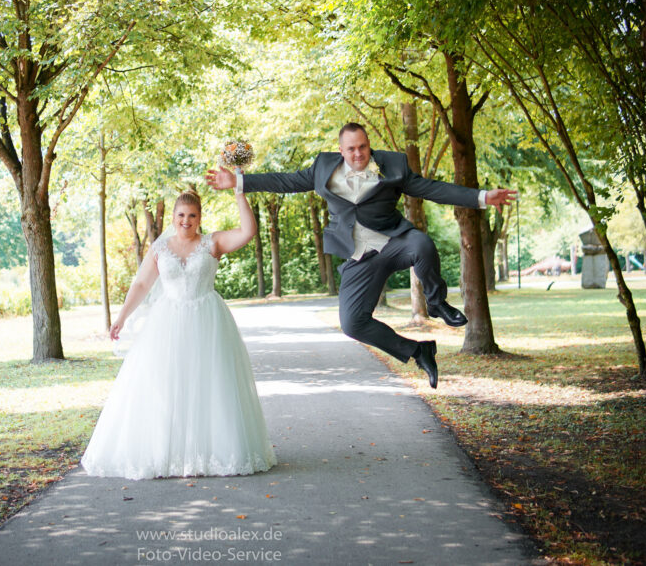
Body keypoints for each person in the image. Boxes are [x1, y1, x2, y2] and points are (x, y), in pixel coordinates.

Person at [205, 123, 516, 389]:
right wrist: (239, 181)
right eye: (351, 149)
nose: (358, 154)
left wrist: (481, 197)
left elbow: (430, 188)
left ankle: (436, 304)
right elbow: (285, 180)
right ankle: (418, 352)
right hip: (357, 256)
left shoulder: (394, 166)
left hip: (393, 242)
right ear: (341, 150)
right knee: (352, 323)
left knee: (422, 244)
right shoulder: (322, 167)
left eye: (363, 147)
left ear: (370, 145)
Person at [80, 189, 276, 480]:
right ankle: (167, 453)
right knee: (166, 384)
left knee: (210, 385)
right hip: (167, 323)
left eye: (192, 215)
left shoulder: (213, 242)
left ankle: (212, 453)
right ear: (173, 218)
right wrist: (121, 317)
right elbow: (142, 284)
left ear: (199, 218)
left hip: (208, 321)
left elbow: (248, 231)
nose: (186, 220)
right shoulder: (160, 248)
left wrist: (239, 192)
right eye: (181, 215)